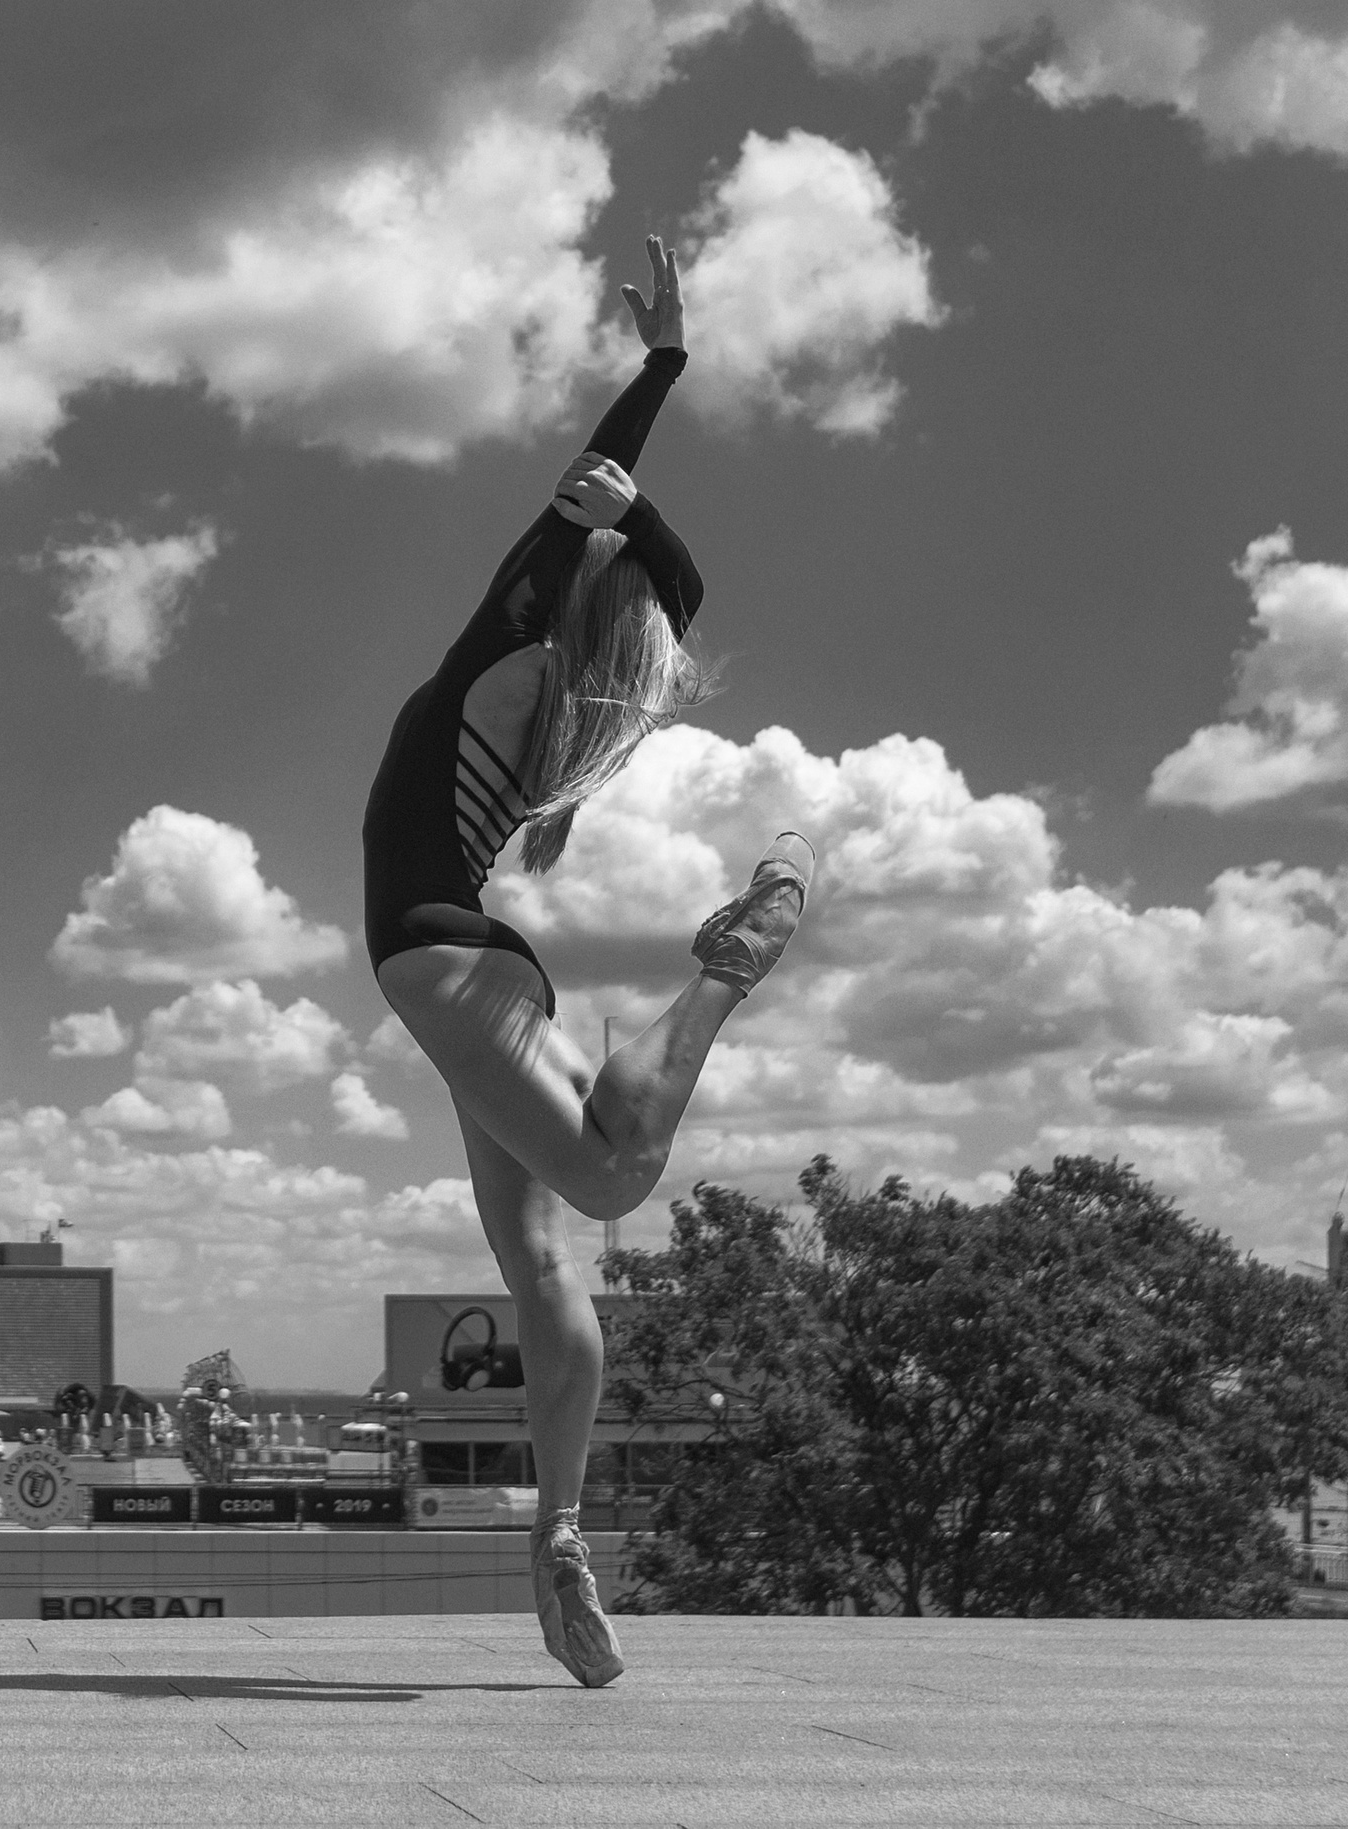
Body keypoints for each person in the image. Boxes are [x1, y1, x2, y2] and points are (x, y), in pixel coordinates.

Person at [363, 236, 813, 1686]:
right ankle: (558, 1541)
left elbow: (596, 516)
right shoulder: (545, 701)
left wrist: (656, 391)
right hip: (475, 970)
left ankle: (723, 973)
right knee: (558, 1278)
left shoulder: (506, 650)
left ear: (570, 578)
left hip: (450, 965)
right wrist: (662, 384)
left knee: (613, 1178)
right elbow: (673, 574)